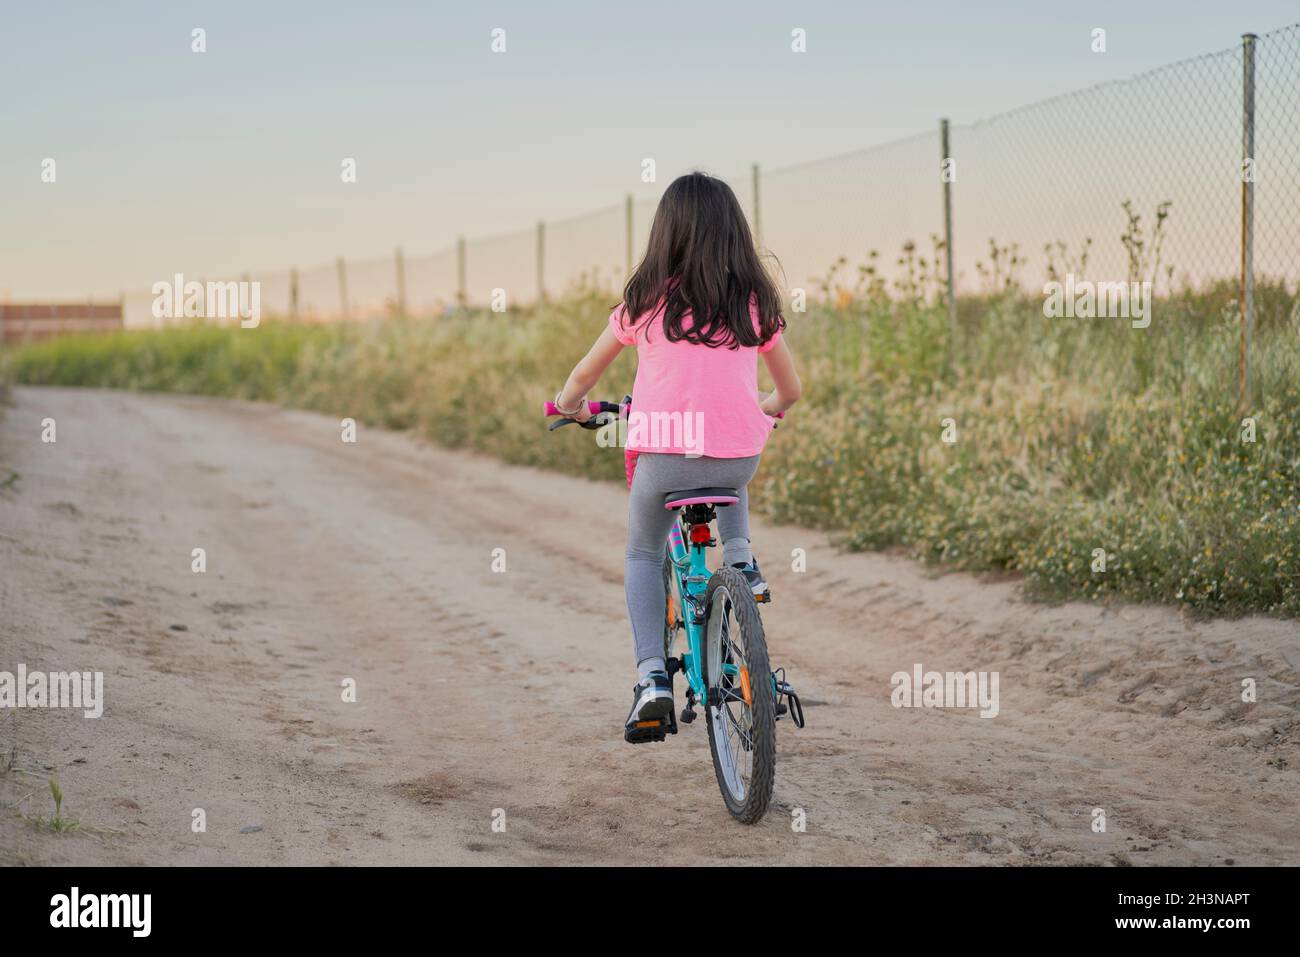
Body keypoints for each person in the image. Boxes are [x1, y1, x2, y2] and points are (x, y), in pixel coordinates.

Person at [551, 172, 802, 736]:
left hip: (663, 460)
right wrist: (757, 408)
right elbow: (790, 393)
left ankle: (652, 680)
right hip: (738, 460)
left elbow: (584, 375)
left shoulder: (644, 302)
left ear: (665, 233)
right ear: (734, 233)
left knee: (642, 552)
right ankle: (740, 557)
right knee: (732, 452)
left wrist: (570, 405)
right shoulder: (753, 302)